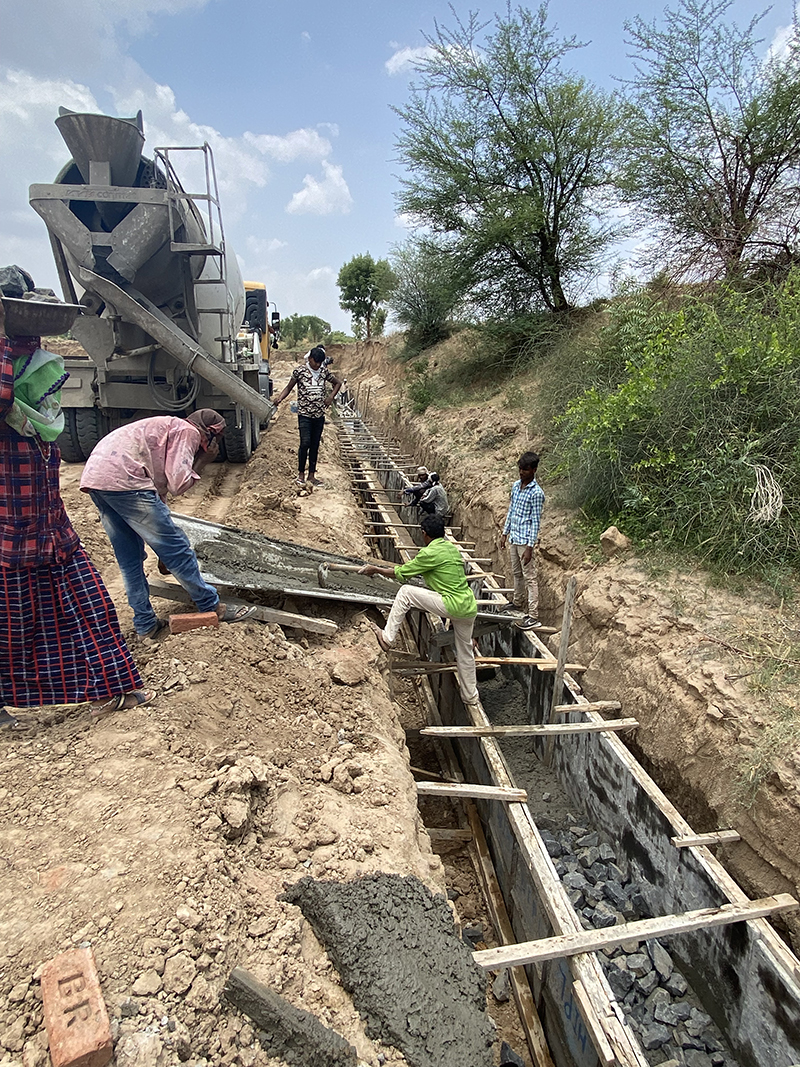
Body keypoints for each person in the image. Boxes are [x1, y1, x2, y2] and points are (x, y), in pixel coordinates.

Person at [0, 300, 151, 729]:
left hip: (50, 525)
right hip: (11, 533)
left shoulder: (37, 412)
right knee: (11, 624)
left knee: (90, 604)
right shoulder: (6, 396)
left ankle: (113, 685)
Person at [80, 411, 256, 638]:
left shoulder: (166, 427)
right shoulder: (188, 431)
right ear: (210, 434)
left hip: (98, 478)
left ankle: (145, 624)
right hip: (126, 479)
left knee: (130, 558)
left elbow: (159, 492)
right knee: (178, 548)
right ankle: (211, 606)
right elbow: (178, 482)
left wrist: (162, 543)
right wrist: (204, 459)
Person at [359, 514, 479, 708]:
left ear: (424, 534)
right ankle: (471, 697)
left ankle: (388, 637)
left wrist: (376, 569)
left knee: (406, 592)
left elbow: (402, 573)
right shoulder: (452, 550)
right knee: (465, 651)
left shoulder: (429, 553)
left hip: (452, 605)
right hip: (469, 606)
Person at [273, 345, 341, 487]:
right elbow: (288, 387)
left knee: (315, 445)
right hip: (304, 414)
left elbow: (338, 383)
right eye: (315, 362)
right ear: (310, 359)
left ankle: (311, 475)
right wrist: (279, 399)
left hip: (319, 415)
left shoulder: (323, 372)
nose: (317, 365)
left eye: (320, 363)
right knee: (305, 443)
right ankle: (300, 474)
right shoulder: (300, 372)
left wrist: (330, 397)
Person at [500, 451, 545, 630]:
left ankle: (533, 615)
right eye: (520, 469)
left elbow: (535, 522)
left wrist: (529, 547)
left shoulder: (536, 493)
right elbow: (511, 511)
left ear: (534, 470)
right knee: (517, 574)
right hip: (514, 537)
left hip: (524, 540)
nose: (521, 472)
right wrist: (505, 533)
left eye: (525, 470)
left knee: (530, 578)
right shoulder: (515, 486)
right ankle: (517, 602)